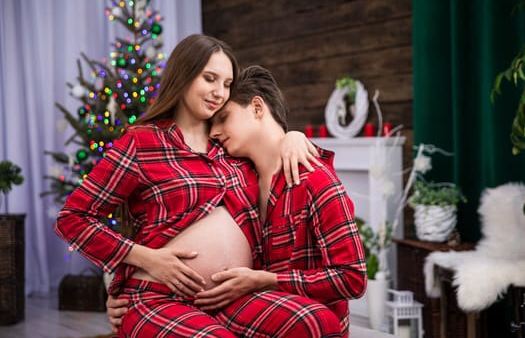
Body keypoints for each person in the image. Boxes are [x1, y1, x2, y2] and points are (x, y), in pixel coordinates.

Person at [55, 34, 341, 337]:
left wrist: (292, 135)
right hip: (159, 295)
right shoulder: (143, 142)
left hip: (231, 296)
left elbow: (270, 151)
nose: (220, 92)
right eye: (210, 79)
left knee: (316, 323)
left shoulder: (230, 146)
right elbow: (72, 219)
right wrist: (146, 258)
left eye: (227, 84)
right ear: (184, 75)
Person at [107, 65, 368, 336]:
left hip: (294, 317)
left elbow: (353, 279)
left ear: (257, 108)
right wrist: (124, 287)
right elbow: (165, 215)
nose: (213, 132)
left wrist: (266, 280)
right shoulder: (238, 174)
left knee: (314, 323)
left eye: (223, 118)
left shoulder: (315, 181)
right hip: (229, 306)